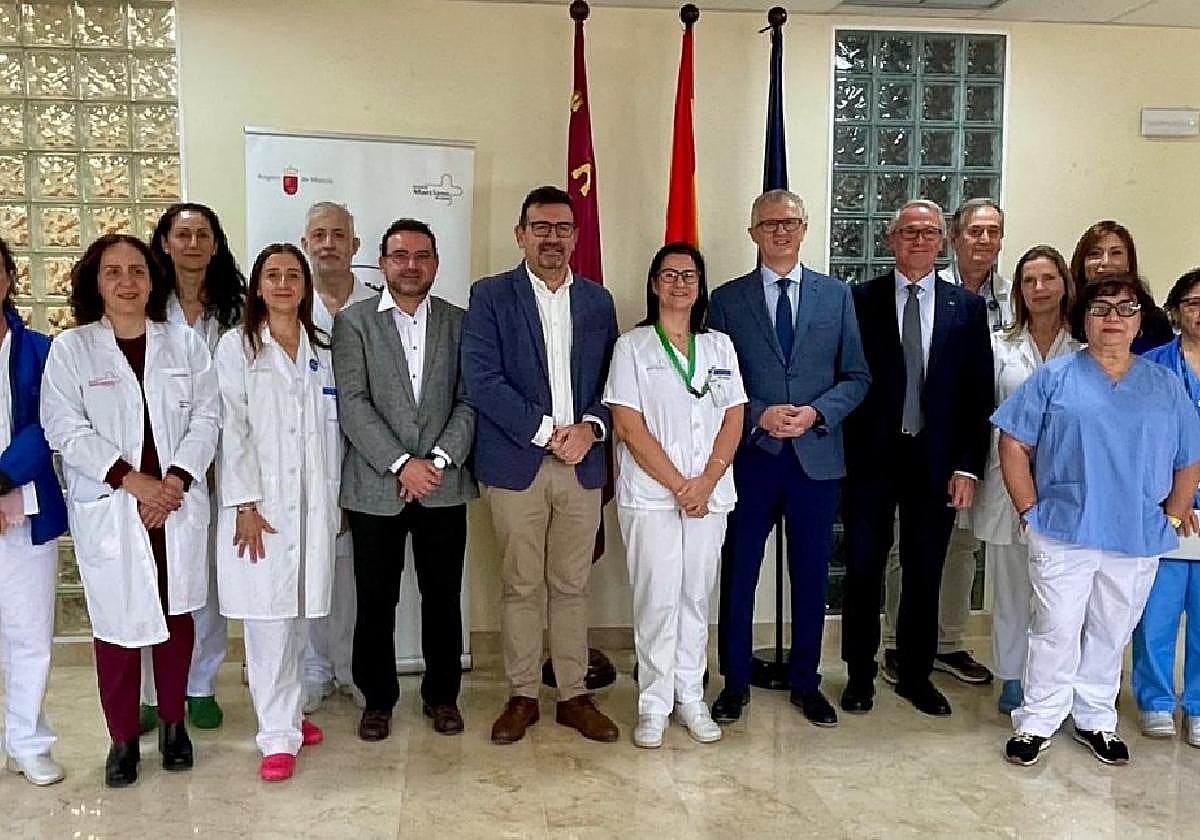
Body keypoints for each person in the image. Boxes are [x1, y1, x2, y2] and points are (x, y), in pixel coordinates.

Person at [996, 273, 1200, 767]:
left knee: (1112, 630)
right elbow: (1014, 443)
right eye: (1101, 308)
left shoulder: (1165, 386)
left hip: (1136, 533)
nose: (1112, 318)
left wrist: (1173, 516)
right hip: (1064, 528)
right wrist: (1028, 511)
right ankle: (1038, 720)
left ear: (1141, 320)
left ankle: (1094, 718)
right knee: (1056, 628)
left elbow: (1188, 459)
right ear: (1082, 319)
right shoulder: (1055, 377)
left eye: (1125, 309)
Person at [41, 234, 219, 787]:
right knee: (116, 629)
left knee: (176, 618)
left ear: (152, 279)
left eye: (137, 271)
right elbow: (64, 427)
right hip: (116, 506)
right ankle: (121, 738)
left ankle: (173, 724)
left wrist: (174, 482)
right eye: (113, 272)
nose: (126, 282)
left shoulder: (184, 344)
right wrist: (133, 480)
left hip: (175, 504)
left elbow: (207, 418)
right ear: (96, 283)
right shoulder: (73, 350)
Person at [463, 185, 620, 745]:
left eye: (562, 228)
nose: (552, 237)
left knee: (572, 585)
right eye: (541, 227)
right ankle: (523, 694)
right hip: (517, 462)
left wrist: (592, 428)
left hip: (581, 463)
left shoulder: (599, 301)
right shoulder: (491, 295)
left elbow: (613, 382)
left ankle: (574, 695)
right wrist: (544, 431)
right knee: (521, 584)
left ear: (575, 236)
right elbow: (481, 379)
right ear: (521, 233)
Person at [707, 189, 869, 727]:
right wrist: (758, 413)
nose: (780, 231)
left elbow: (857, 377)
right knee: (739, 573)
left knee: (810, 577)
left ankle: (806, 680)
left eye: (791, 222)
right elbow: (711, 379)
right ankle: (733, 682)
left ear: (804, 230)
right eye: (769, 223)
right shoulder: (728, 300)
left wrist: (818, 414)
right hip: (751, 458)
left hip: (816, 462)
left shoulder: (835, 296)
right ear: (752, 232)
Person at [840, 199, 993, 718]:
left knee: (925, 572)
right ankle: (859, 674)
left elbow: (978, 396)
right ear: (891, 240)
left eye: (928, 233)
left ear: (943, 241)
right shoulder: (859, 300)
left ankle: (914, 674)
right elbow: (847, 380)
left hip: (937, 464)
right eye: (908, 232)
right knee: (863, 569)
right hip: (870, 463)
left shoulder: (966, 309)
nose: (919, 241)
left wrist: (968, 465)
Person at [334, 218, 475, 740]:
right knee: (375, 599)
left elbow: (468, 399)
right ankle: (377, 699)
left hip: (444, 483)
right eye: (399, 255)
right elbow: (353, 402)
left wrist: (437, 461)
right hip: (377, 486)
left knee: (443, 598)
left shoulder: (461, 323)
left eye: (421, 256)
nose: (410, 265)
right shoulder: (354, 324)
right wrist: (401, 463)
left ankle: (442, 696)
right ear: (382, 261)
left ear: (435, 263)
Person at [603, 242, 745, 748]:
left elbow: (734, 417)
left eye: (689, 275)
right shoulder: (632, 346)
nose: (680, 283)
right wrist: (678, 484)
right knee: (657, 600)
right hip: (652, 496)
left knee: (694, 596)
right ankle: (654, 704)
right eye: (669, 275)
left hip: (709, 495)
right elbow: (628, 425)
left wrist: (705, 479)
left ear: (700, 286)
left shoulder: (720, 347)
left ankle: (691, 697)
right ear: (654, 283)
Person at [214, 243, 339, 780]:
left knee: (295, 620)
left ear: (306, 286)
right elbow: (231, 429)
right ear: (257, 286)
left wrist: (337, 503)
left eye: (293, 275)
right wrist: (243, 504)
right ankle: (276, 738)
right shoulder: (236, 347)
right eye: (273, 275)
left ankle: (286, 711)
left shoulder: (322, 348)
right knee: (267, 623)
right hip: (259, 510)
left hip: (312, 507)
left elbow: (333, 434)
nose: (284, 284)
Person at [880, 198, 1009, 690]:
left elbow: (980, 384)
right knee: (904, 550)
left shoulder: (1012, 296)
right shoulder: (925, 286)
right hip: (915, 447)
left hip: (982, 445)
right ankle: (900, 643)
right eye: (974, 231)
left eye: (993, 232)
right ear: (953, 239)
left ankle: (948, 643)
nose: (984, 241)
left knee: (961, 548)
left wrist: (969, 462)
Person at [140, 202, 246, 733]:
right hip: (158, 465)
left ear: (215, 243)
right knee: (151, 578)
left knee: (207, 580)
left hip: (222, 462)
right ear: (163, 242)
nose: (193, 244)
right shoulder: (144, 303)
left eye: (203, 234)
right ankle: (147, 691)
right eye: (182, 234)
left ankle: (200, 684)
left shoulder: (235, 307)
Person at [971, 246, 1079, 715]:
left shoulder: (1083, 346)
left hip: (1067, 487)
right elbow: (982, 414)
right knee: (1011, 591)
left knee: (1061, 596)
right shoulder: (999, 345)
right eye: (1029, 280)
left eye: (1048, 279)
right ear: (1018, 290)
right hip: (1005, 484)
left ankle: (1056, 682)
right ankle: (1012, 678)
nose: (1039, 289)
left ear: (1064, 285)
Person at [300, 201, 376, 713]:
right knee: (307, 571)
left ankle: (352, 667)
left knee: (352, 575)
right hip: (305, 461)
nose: (328, 243)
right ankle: (311, 670)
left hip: (365, 460)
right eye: (318, 235)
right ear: (307, 244)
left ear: (355, 245)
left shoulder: (376, 307)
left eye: (338, 234)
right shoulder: (288, 305)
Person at [0, 237, 69, 786]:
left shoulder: (41, 350)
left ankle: (27, 741)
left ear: (10, 278)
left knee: (28, 632)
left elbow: (51, 421)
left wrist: (4, 477)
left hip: (23, 505)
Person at [1132, 268, 1200, 744]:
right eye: (1193, 302)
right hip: (1167, 506)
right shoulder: (1152, 367)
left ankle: (1198, 705)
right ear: (1175, 311)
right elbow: (1140, 441)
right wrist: (1178, 497)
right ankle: (1155, 699)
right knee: (1157, 610)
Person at [1069, 220, 1173, 354]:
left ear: (1129, 262)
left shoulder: (1154, 322)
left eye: (1116, 253)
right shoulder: (1065, 315)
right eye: (1095, 253)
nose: (1105, 262)